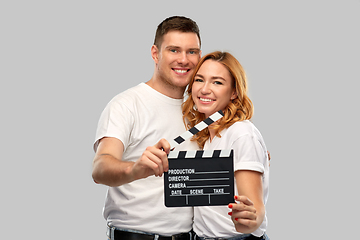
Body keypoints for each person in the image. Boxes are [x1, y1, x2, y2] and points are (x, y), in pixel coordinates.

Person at [92, 16, 202, 240]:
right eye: (174, 50)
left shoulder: (201, 110)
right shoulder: (126, 104)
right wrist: (135, 169)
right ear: (155, 53)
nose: (184, 59)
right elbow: (100, 167)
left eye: (192, 52)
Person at [182, 51, 270, 240]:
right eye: (199, 80)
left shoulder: (241, 133)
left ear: (234, 92)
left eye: (217, 82)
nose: (205, 89)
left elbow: (255, 208)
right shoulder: (206, 136)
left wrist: (248, 220)